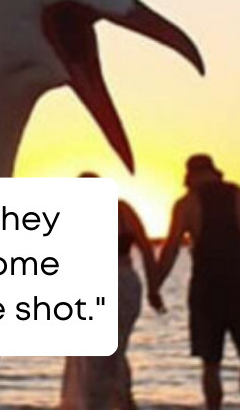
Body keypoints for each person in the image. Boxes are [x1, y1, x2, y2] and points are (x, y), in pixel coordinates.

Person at [157, 155, 240, 410]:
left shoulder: (187, 204)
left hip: (207, 290)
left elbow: (170, 250)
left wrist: (154, 285)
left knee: (211, 362)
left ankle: (214, 408)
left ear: (190, 176)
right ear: (215, 172)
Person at [61, 172, 165, 410]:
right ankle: (120, 402)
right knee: (112, 353)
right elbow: (148, 252)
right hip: (124, 284)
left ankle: (98, 404)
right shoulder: (121, 210)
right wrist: (153, 290)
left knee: (93, 358)